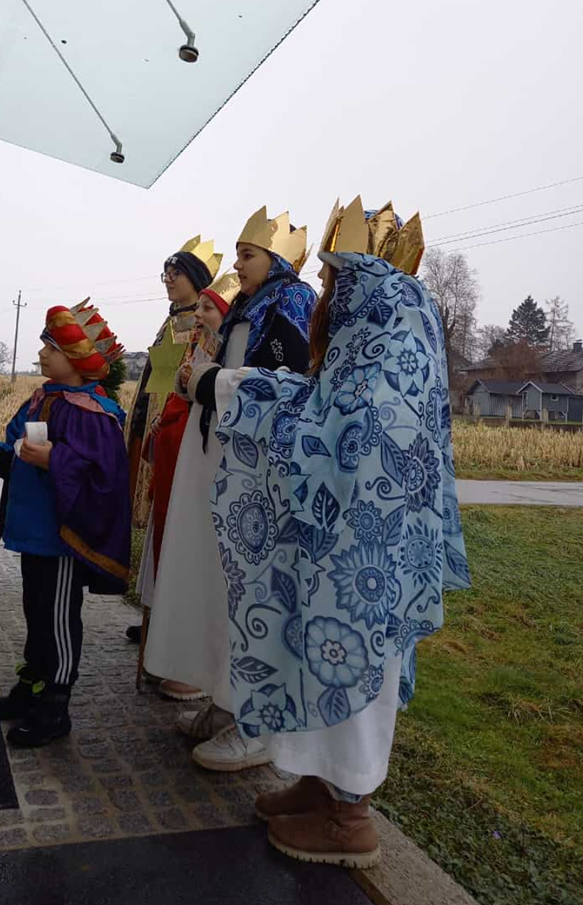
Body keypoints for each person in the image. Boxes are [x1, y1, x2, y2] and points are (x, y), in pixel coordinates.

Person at [209, 197, 471, 867]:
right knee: (318, 657)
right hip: (341, 565)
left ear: (364, 289)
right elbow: (326, 407)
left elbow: (336, 437)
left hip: (364, 583)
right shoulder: (375, 354)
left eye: (333, 280)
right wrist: (245, 389)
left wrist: (237, 391)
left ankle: (350, 817)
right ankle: (320, 785)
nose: (324, 294)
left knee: (354, 668)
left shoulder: (392, 365)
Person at [144, 207, 316, 754]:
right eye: (238, 255)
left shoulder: (292, 304)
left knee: (248, 589)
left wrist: (211, 382)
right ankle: (224, 699)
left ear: (278, 259)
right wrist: (197, 381)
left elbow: (288, 385)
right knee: (218, 582)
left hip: (256, 469)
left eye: (247, 255)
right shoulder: (246, 305)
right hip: (217, 458)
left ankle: (254, 722)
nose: (237, 266)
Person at [0, 299, 130, 748]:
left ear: (77, 359)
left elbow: (105, 476)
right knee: (36, 613)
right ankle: (32, 686)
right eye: (44, 344)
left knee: (59, 618)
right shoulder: (41, 399)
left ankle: (56, 704)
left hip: (61, 538)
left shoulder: (92, 413)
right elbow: (17, 457)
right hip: (34, 535)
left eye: (52, 347)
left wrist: (55, 459)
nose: (42, 353)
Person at [139, 271, 241, 700]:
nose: (198, 315)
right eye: (197, 307)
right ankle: (165, 650)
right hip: (175, 464)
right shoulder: (198, 345)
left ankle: (192, 667)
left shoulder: (231, 351)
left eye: (207, 307)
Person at [124, 237, 221, 645]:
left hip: (175, 431)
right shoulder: (171, 322)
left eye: (175, 273)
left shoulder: (199, 328)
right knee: (154, 533)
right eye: (165, 273)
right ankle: (150, 614)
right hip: (153, 428)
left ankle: (163, 622)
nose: (168, 280)